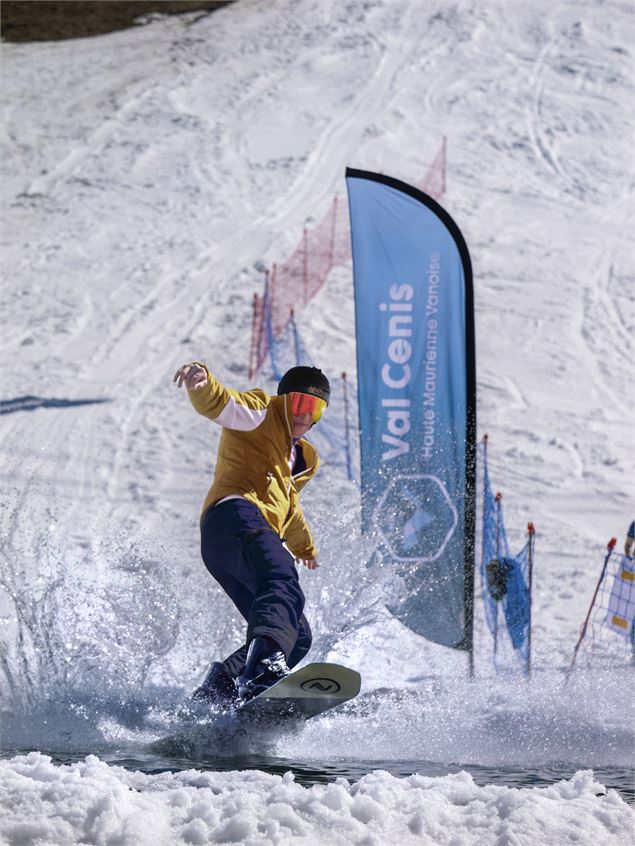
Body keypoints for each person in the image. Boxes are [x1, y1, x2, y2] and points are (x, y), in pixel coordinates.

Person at [173, 361, 330, 704]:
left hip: (229, 543)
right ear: (284, 400)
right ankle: (261, 672)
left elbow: (287, 508)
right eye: (299, 404)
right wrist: (202, 385)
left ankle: (220, 690)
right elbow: (224, 404)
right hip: (234, 514)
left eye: (314, 408)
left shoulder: (303, 457)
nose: (305, 415)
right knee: (280, 577)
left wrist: (304, 546)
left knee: (297, 634)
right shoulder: (262, 413)